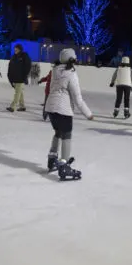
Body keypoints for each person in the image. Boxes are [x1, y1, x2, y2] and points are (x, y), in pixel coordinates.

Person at [44, 48, 93, 180]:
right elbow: (78, 99)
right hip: (63, 109)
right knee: (66, 135)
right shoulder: (71, 74)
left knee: (58, 132)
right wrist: (88, 114)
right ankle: (64, 164)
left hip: (50, 107)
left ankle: (52, 158)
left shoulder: (55, 70)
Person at [6, 44, 31, 112]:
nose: (15, 50)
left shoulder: (24, 56)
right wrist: (9, 76)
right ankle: (22, 106)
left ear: (20, 49)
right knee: (19, 92)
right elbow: (10, 67)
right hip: (15, 78)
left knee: (17, 93)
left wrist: (24, 76)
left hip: (21, 78)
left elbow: (28, 66)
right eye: (15, 49)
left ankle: (12, 106)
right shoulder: (13, 57)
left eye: (16, 49)